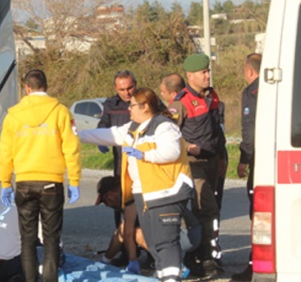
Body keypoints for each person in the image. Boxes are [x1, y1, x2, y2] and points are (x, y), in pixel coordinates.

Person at [79, 87, 195, 282]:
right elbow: (107, 134)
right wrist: (72, 135)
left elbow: (172, 151)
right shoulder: (133, 128)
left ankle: (172, 278)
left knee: (166, 243)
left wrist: (144, 155)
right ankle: (164, 276)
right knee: (154, 242)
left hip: (166, 192)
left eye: (132, 105)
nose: (129, 109)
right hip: (145, 194)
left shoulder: (164, 126)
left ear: (146, 106)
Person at [0, 69, 82, 282]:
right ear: (46, 86)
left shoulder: (13, 115)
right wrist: (74, 180)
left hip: (25, 182)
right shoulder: (60, 112)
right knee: (51, 239)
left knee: (27, 240)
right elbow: (71, 148)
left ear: (27, 88)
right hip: (51, 183)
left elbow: (5, 152)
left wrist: (6, 181)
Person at [168, 54, 226, 276]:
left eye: (208, 70)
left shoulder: (213, 97)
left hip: (213, 160)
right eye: (203, 72)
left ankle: (205, 252)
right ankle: (204, 256)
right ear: (190, 76)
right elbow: (169, 133)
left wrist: (222, 158)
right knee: (206, 208)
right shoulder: (180, 103)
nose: (207, 75)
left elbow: (218, 130)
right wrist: (186, 145)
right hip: (194, 164)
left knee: (211, 211)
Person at [96, 176, 202, 278]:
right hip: (189, 230)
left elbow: (128, 234)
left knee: (135, 232)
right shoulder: (135, 191)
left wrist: (133, 261)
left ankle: (172, 264)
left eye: (106, 201)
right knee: (126, 227)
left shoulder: (131, 199)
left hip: (187, 234)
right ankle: (105, 261)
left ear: (111, 194)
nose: (107, 205)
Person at [230, 53, 261, 282]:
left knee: (259, 214)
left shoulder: (252, 92)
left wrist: (244, 158)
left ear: (249, 71)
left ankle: (255, 265)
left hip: (261, 161)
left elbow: (249, 130)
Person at [98, 70, 137, 229]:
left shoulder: (144, 100)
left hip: (143, 161)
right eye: (122, 89)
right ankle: (124, 245)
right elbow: (103, 125)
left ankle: (147, 246)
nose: (127, 93)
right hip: (121, 163)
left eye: (130, 88)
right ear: (115, 88)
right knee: (121, 202)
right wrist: (101, 139)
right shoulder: (110, 104)